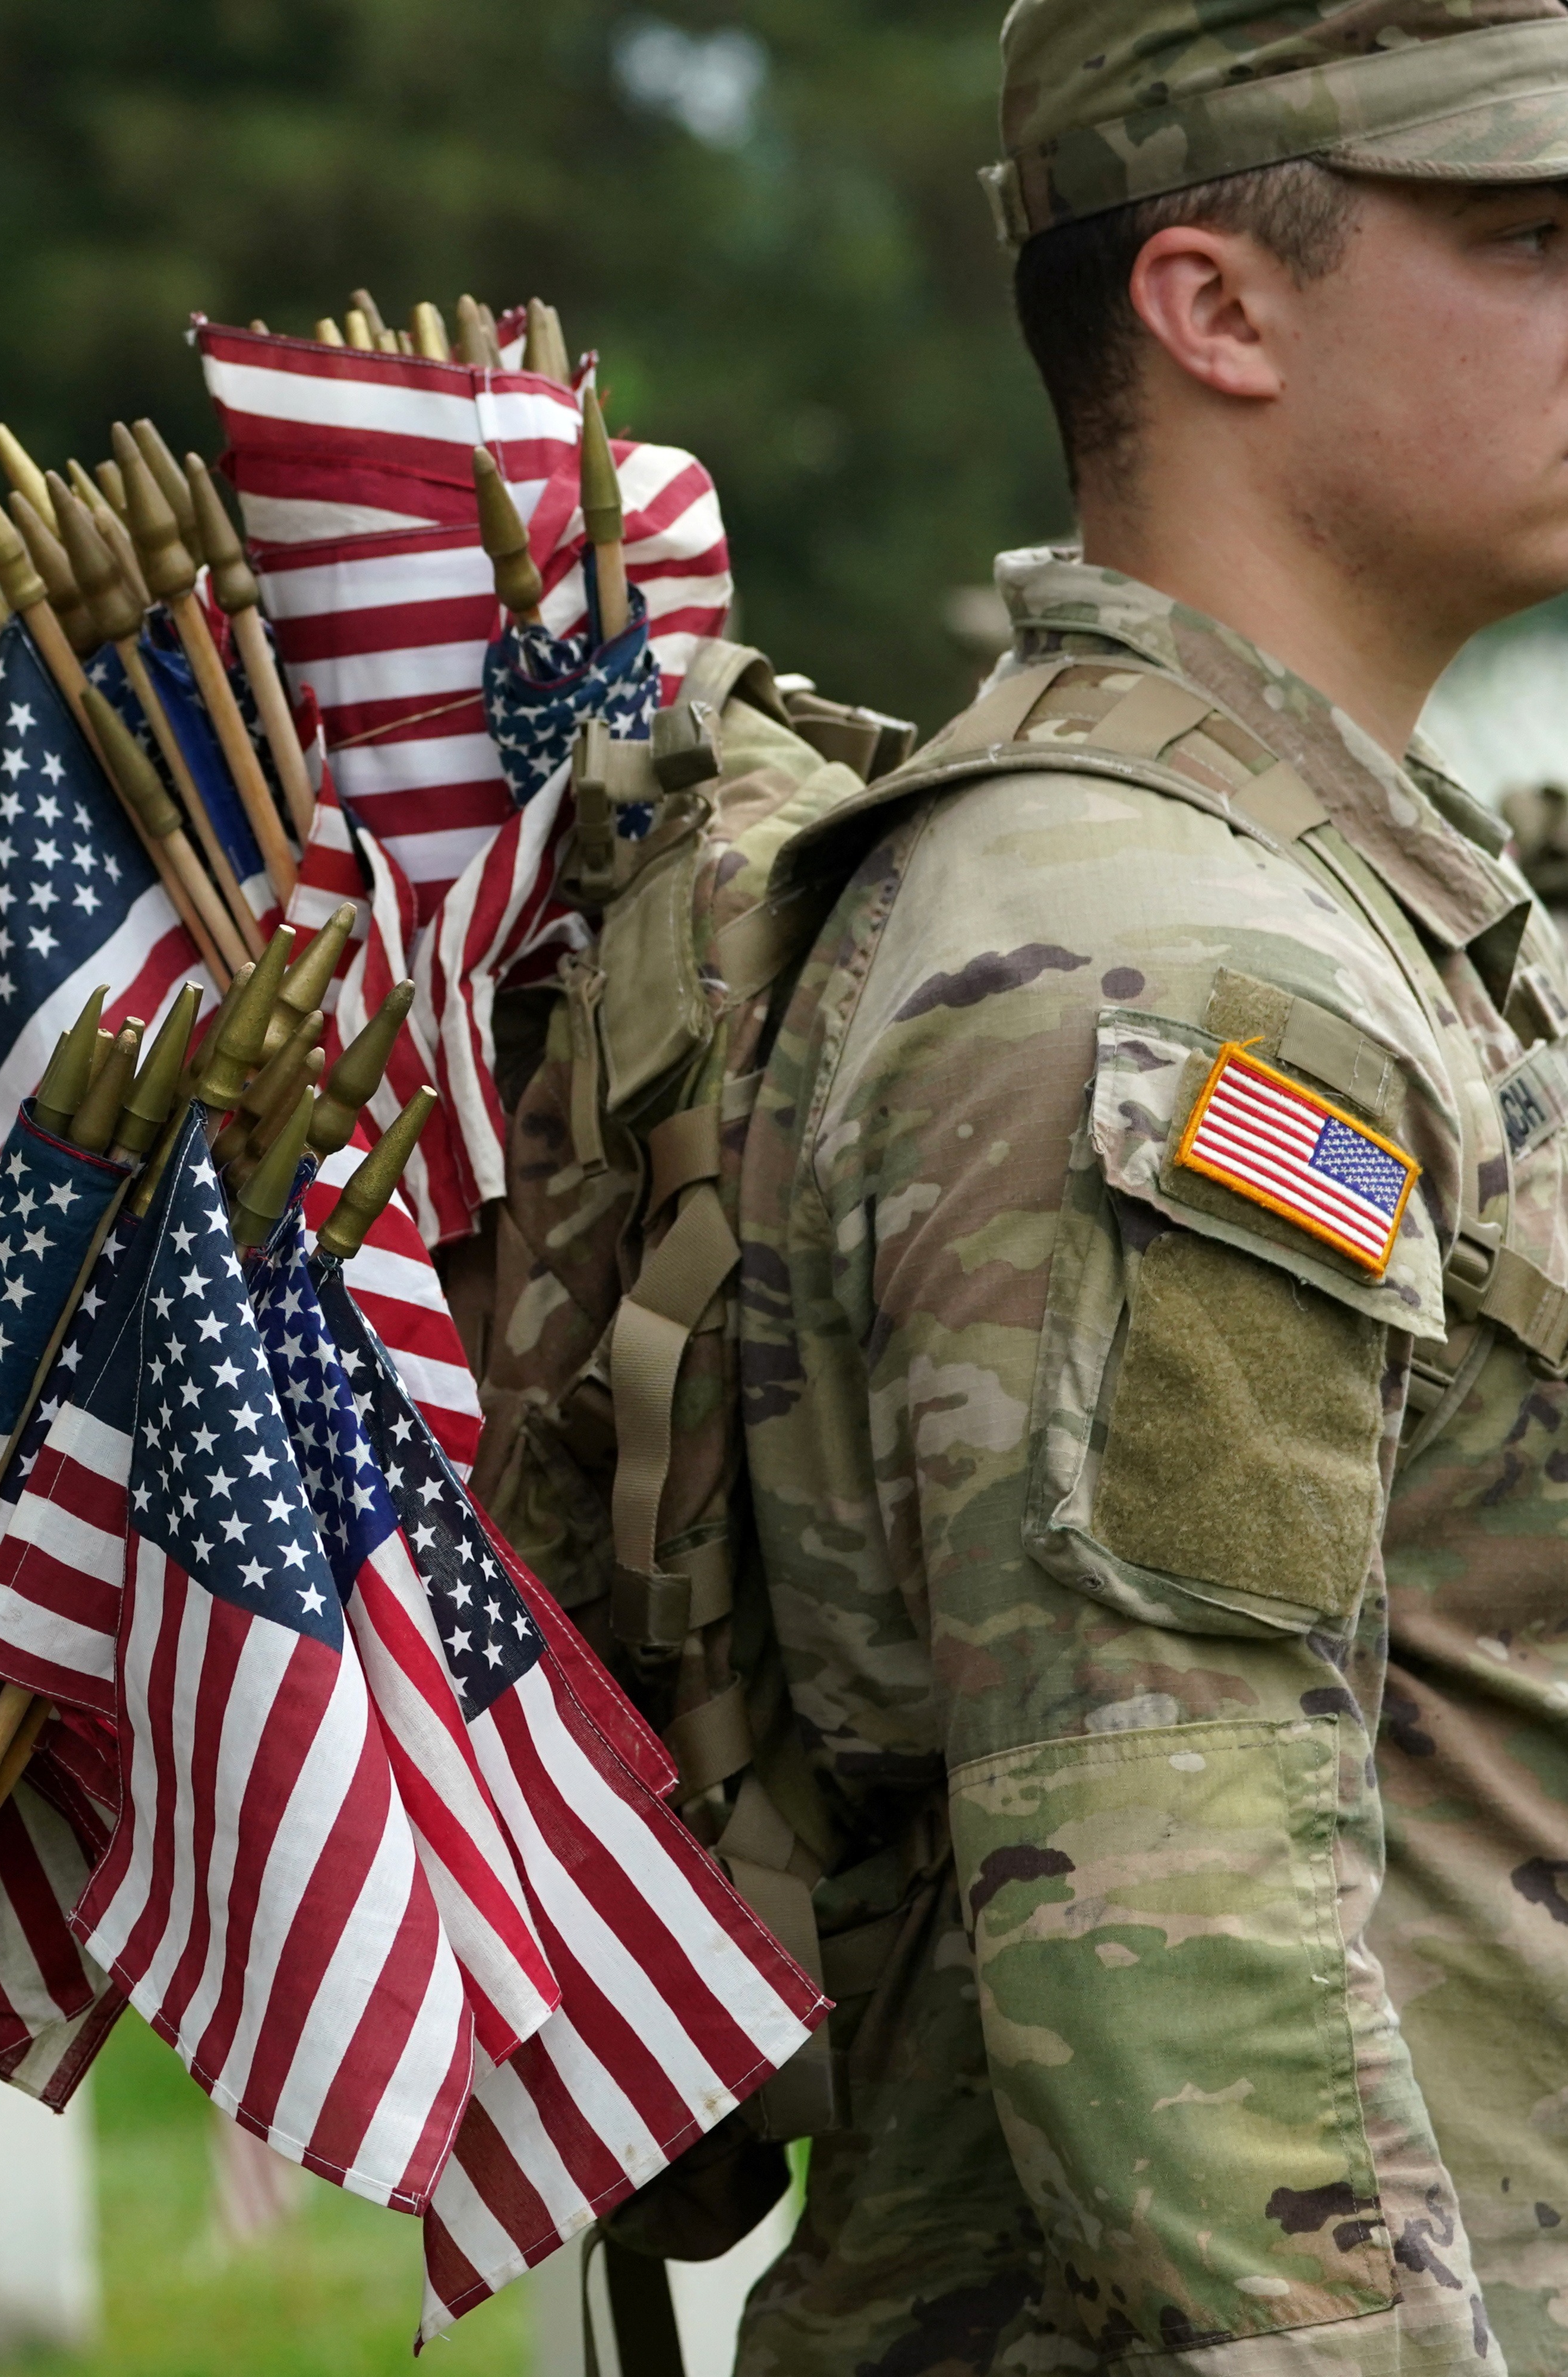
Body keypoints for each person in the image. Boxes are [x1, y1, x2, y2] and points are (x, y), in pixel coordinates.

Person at [731, 0, 1568, 2367]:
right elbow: (1179, 1992)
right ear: (1208, 308)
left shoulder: (1314, 910)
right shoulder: (1179, 973)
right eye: (1522, 239)